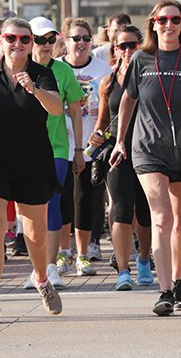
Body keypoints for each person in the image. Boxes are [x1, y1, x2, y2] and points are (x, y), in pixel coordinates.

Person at [111, 0, 181, 316]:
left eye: (175, 19)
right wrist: (120, 141)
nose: (169, 25)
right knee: (161, 216)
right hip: (147, 147)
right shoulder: (140, 59)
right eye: (163, 20)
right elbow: (127, 101)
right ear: (154, 24)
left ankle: (178, 281)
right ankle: (164, 292)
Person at [0, 18, 64, 323]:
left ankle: (41, 279)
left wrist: (34, 90)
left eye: (24, 39)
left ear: (31, 43)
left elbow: (56, 107)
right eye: (10, 38)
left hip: (33, 160)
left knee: (35, 234)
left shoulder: (41, 73)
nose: (17, 44)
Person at [88, 24, 154, 291]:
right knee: (121, 210)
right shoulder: (109, 80)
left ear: (141, 46)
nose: (127, 50)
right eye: (121, 46)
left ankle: (144, 261)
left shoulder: (151, 74)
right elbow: (103, 120)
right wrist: (94, 140)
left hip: (148, 149)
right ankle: (123, 271)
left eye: (132, 45)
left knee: (146, 212)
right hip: (118, 151)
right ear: (114, 50)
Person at [28, 16, 85, 289]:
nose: (47, 44)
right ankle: (36, 267)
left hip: (57, 148)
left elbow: (75, 110)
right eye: (41, 39)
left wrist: (79, 150)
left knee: (51, 204)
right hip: (24, 150)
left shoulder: (62, 72)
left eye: (52, 39)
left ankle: (50, 267)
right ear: (30, 41)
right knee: (28, 210)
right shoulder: (18, 69)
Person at [63, 18, 112, 276]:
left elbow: (111, 109)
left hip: (90, 145)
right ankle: (63, 252)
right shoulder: (56, 68)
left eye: (85, 38)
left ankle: (83, 254)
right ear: (65, 40)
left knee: (84, 200)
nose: (81, 43)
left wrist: (101, 130)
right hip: (61, 145)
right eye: (75, 38)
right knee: (62, 201)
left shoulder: (103, 70)